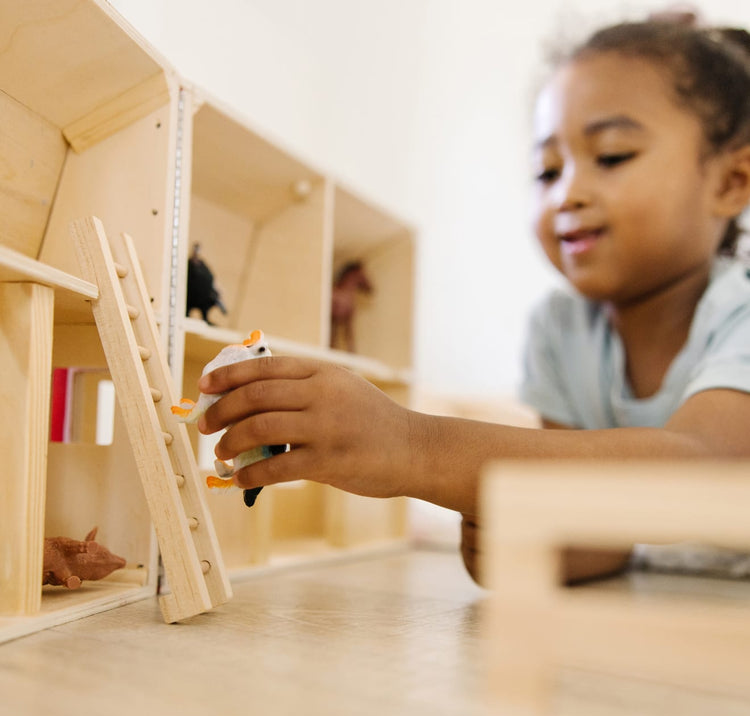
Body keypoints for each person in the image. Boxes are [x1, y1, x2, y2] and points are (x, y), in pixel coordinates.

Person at [196, 19, 750, 585]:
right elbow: (590, 516)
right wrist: (533, 541)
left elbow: (706, 468)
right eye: (547, 170)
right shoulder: (560, 329)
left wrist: (411, 444)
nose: (568, 194)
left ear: (732, 181)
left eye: (611, 156)